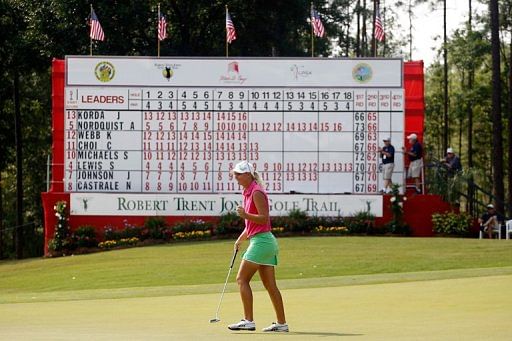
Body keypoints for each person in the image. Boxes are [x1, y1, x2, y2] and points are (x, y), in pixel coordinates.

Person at [228, 161, 288, 333]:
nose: (236, 177)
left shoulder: (256, 192)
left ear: (249, 175)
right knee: (270, 285)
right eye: (236, 174)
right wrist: (240, 239)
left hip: (262, 242)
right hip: (263, 241)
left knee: (242, 279)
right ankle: (281, 323)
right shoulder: (247, 192)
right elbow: (251, 225)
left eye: (239, 174)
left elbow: (263, 218)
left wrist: (245, 214)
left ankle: (248, 320)